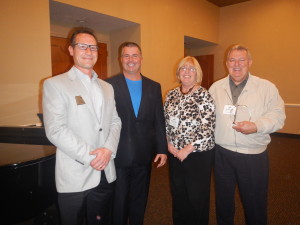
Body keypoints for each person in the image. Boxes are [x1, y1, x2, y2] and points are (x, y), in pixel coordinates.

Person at [43, 27, 121, 225]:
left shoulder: (107, 87)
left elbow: (115, 121)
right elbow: (56, 130)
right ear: (71, 50)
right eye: (83, 46)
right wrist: (92, 156)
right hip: (75, 174)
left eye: (93, 47)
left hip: (105, 171)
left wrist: (108, 150)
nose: (89, 51)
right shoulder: (55, 84)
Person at [209, 44, 286, 225]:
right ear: (226, 63)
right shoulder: (215, 88)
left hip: (252, 156)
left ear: (249, 62)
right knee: (223, 203)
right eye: (232, 60)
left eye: (241, 60)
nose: (237, 64)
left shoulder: (266, 88)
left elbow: (278, 115)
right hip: (222, 154)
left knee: (255, 203)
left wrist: (257, 126)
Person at [106, 42, 168, 225]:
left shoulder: (154, 86)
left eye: (134, 56)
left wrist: (162, 149)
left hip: (144, 153)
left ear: (141, 59)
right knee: (119, 199)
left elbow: (159, 120)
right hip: (118, 153)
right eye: (126, 56)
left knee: (140, 198)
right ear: (120, 59)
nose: (130, 60)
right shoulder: (109, 85)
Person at [164, 56, 216, 225]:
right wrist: (169, 144)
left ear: (197, 74)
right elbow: (164, 123)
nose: (187, 72)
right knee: (178, 195)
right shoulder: (171, 94)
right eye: (183, 68)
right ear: (178, 73)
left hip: (197, 156)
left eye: (191, 69)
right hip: (175, 154)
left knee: (197, 197)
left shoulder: (204, 95)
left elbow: (208, 127)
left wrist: (186, 149)